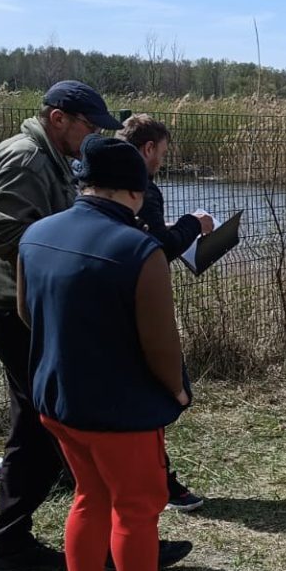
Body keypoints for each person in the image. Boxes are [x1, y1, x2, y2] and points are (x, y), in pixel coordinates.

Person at [18, 135, 208, 571]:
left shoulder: (36, 234)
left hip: (58, 400)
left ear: (84, 182)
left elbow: (23, 311)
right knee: (138, 508)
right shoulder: (138, 250)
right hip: (119, 410)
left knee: (88, 495)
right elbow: (161, 343)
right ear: (136, 191)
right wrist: (177, 391)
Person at [0, 80, 121, 571]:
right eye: (88, 126)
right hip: (18, 311)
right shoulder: (27, 158)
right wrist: (66, 256)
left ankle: (29, 541)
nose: (92, 136)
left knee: (35, 425)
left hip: (31, 307)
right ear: (58, 117)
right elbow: (0, 235)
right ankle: (16, 544)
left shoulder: (50, 156)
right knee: (47, 426)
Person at [118, 112, 214, 513]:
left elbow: (145, 235)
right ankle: (158, 482)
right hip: (137, 304)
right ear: (149, 148)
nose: (161, 162)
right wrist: (192, 224)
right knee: (157, 395)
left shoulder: (92, 182)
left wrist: (166, 227)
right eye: (162, 153)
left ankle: (155, 478)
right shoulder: (141, 187)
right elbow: (159, 249)